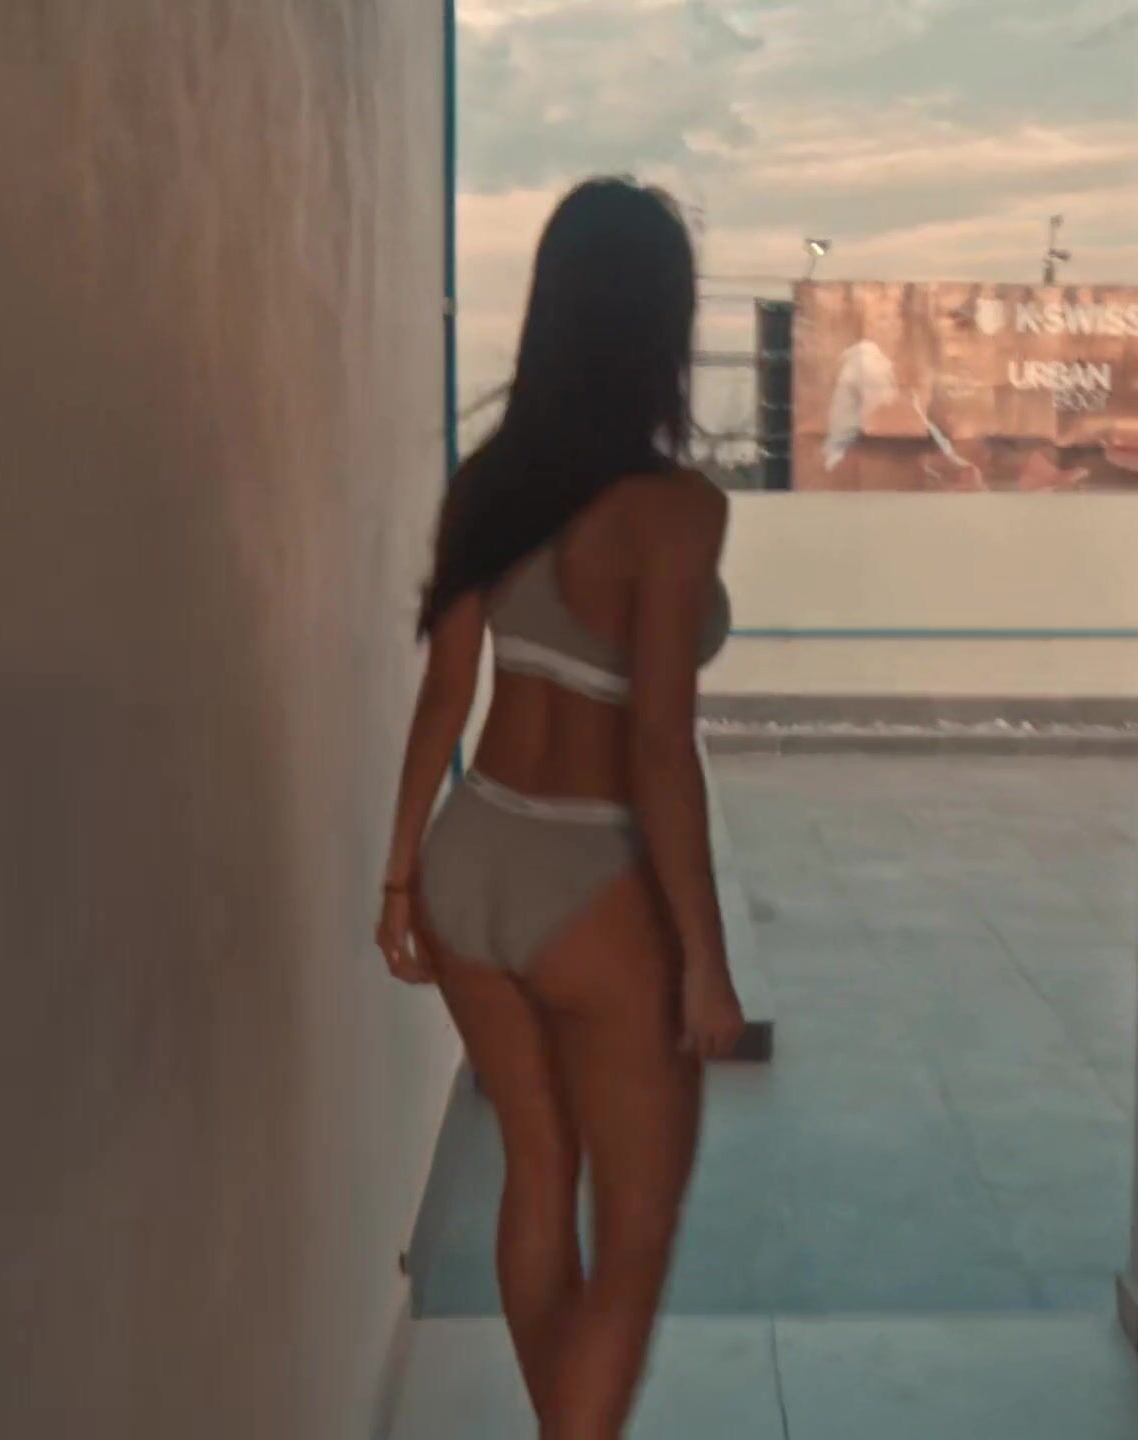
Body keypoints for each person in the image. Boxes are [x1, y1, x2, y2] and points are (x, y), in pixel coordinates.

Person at [373, 176, 747, 1438]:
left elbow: (445, 694)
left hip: (469, 851)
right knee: (636, 1232)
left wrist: (398, 877)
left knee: (537, 1170)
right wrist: (704, 960)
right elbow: (658, 749)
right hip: (590, 872)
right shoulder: (676, 511)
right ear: (660, 325)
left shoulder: (494, 483)